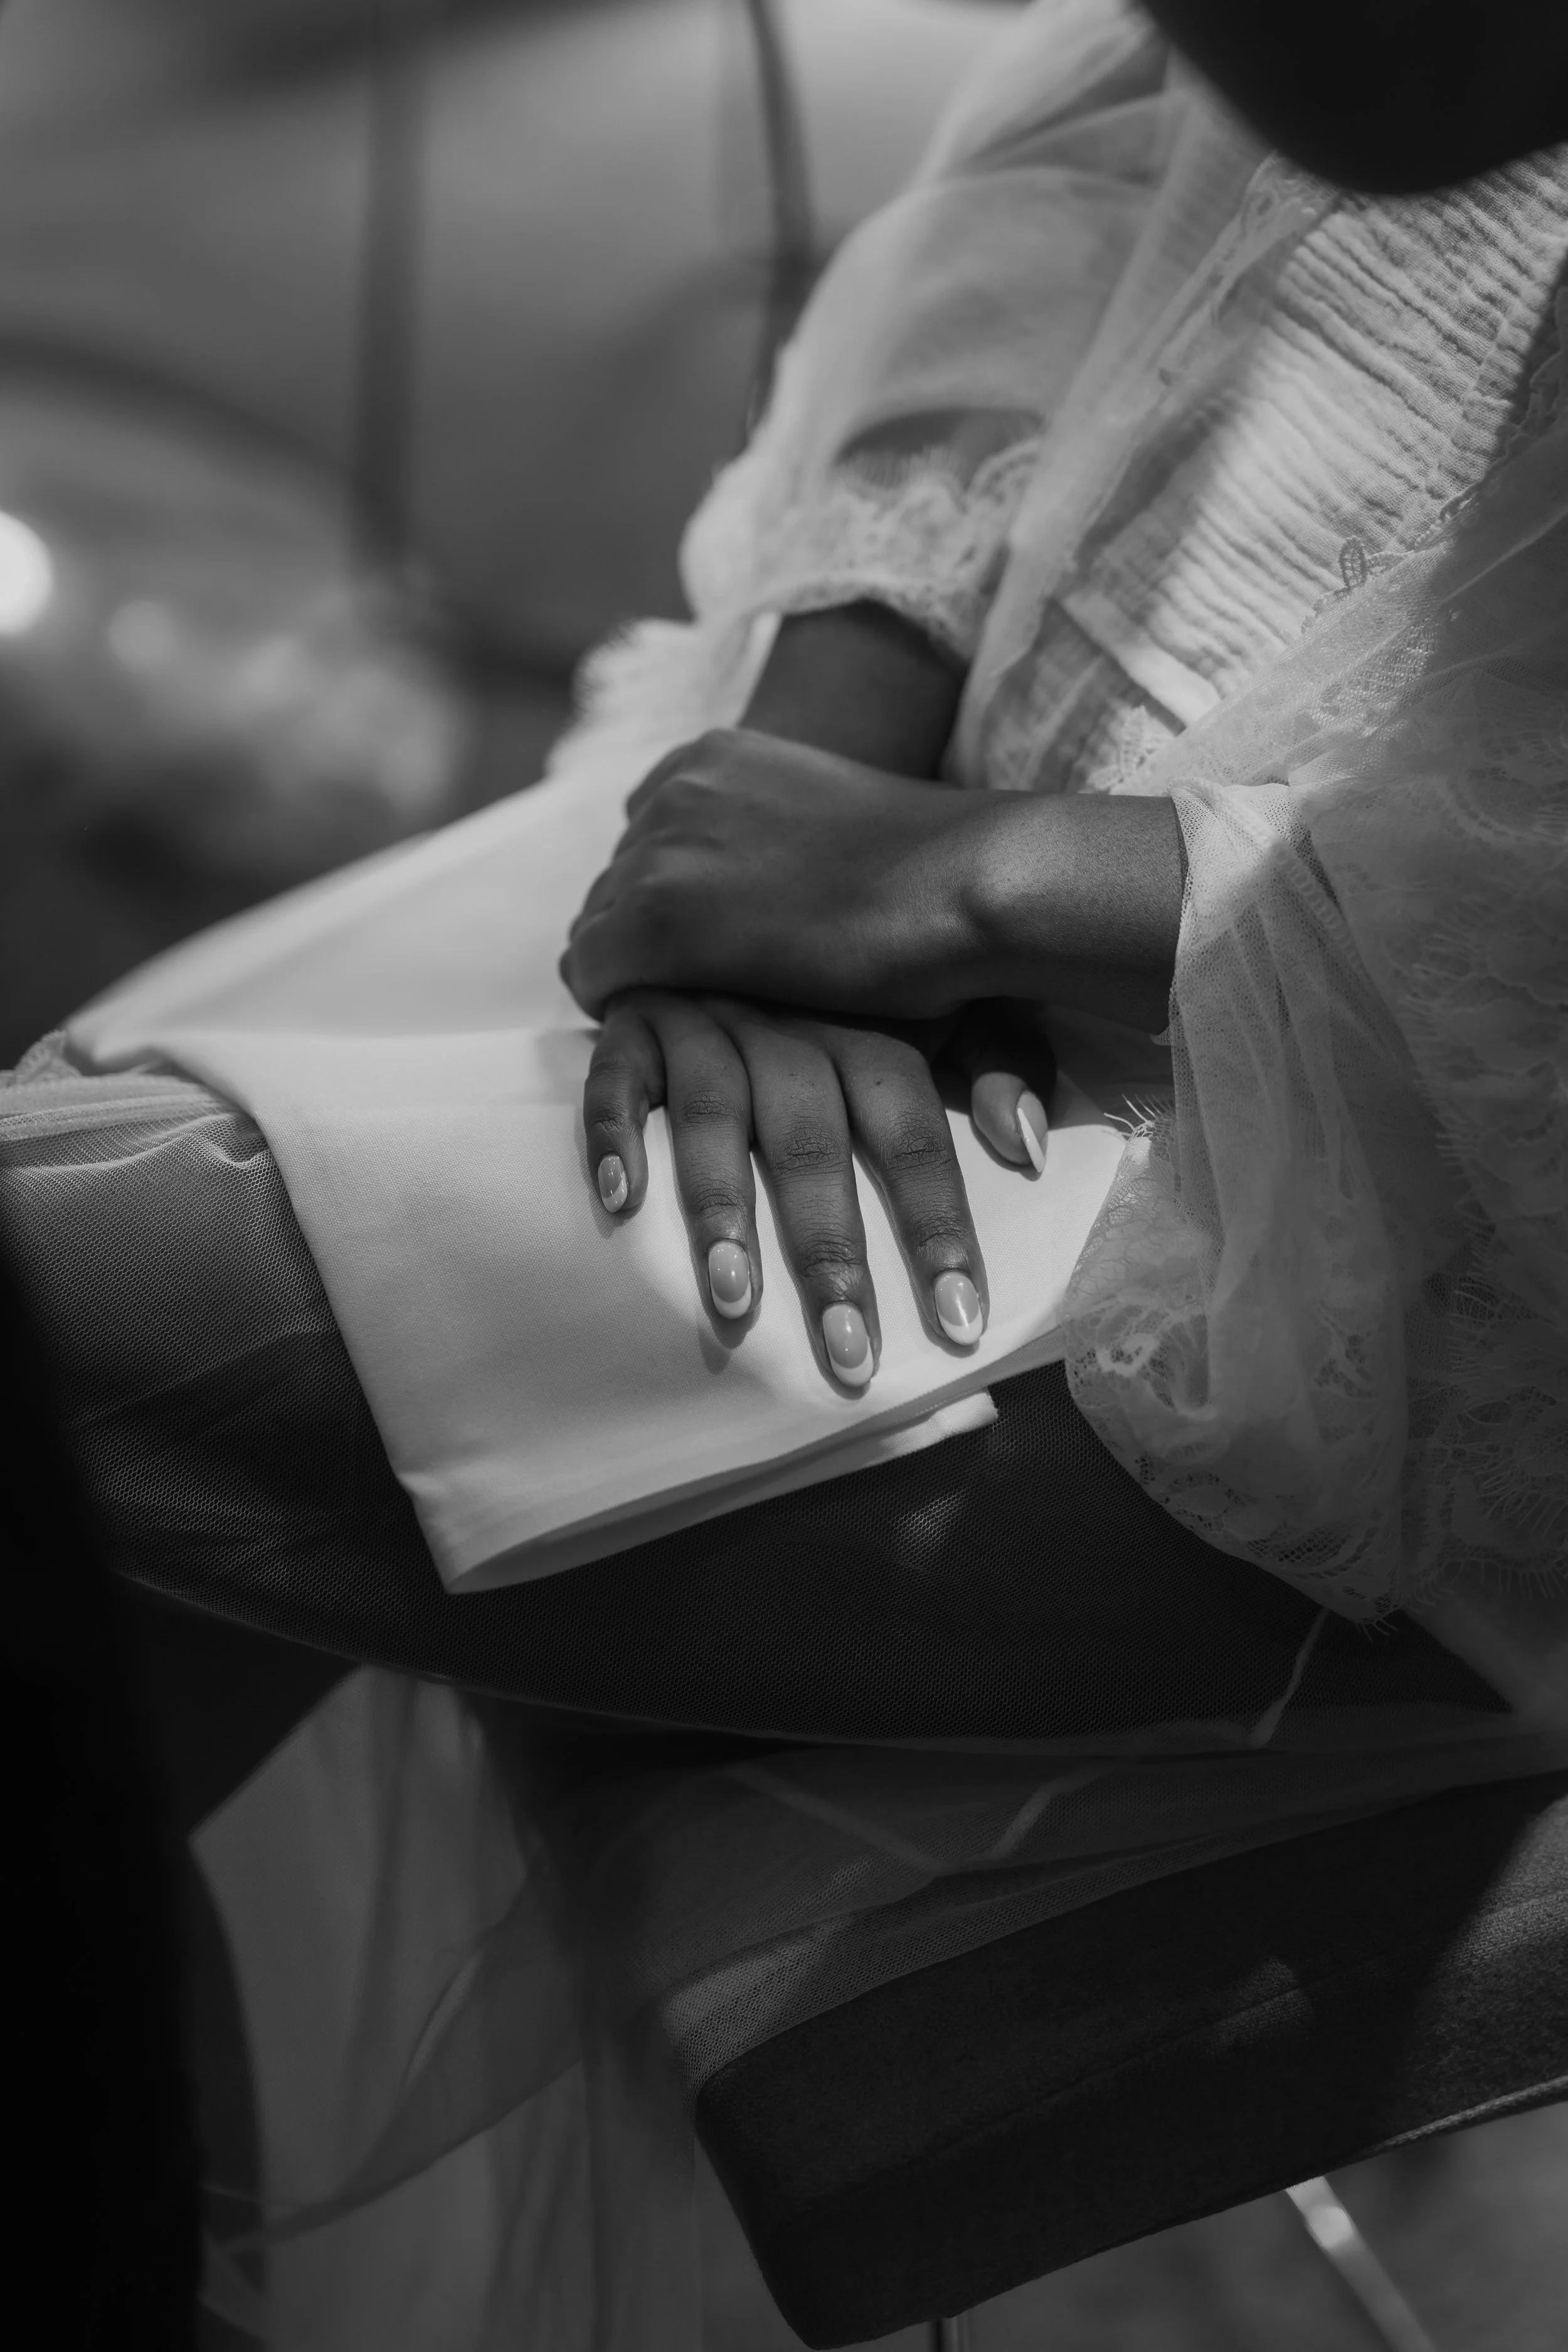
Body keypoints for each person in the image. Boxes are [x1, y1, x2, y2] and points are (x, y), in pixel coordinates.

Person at [4, 1, 1568, 2343]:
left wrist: (976, 889)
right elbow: (1083, 153)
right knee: (122, 1091)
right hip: (916, 812)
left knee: (45, 1311)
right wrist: (802, 771)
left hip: (1364, 1212)